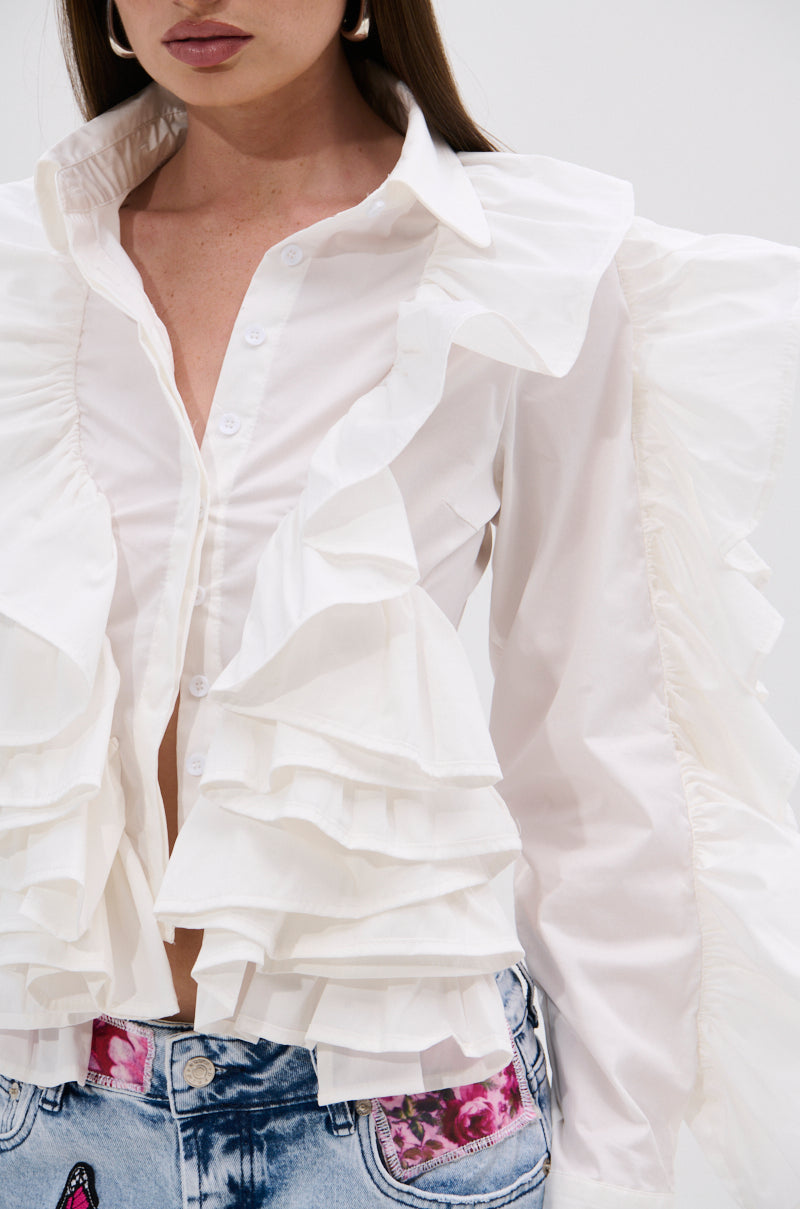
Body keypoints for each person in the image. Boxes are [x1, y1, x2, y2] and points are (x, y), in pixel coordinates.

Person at [1, 1, 799, 1207]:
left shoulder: (515, 262)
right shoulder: (26, 273)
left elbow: (598, 760)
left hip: (390, 1136)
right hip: (47, 1113)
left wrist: (616, 1178)